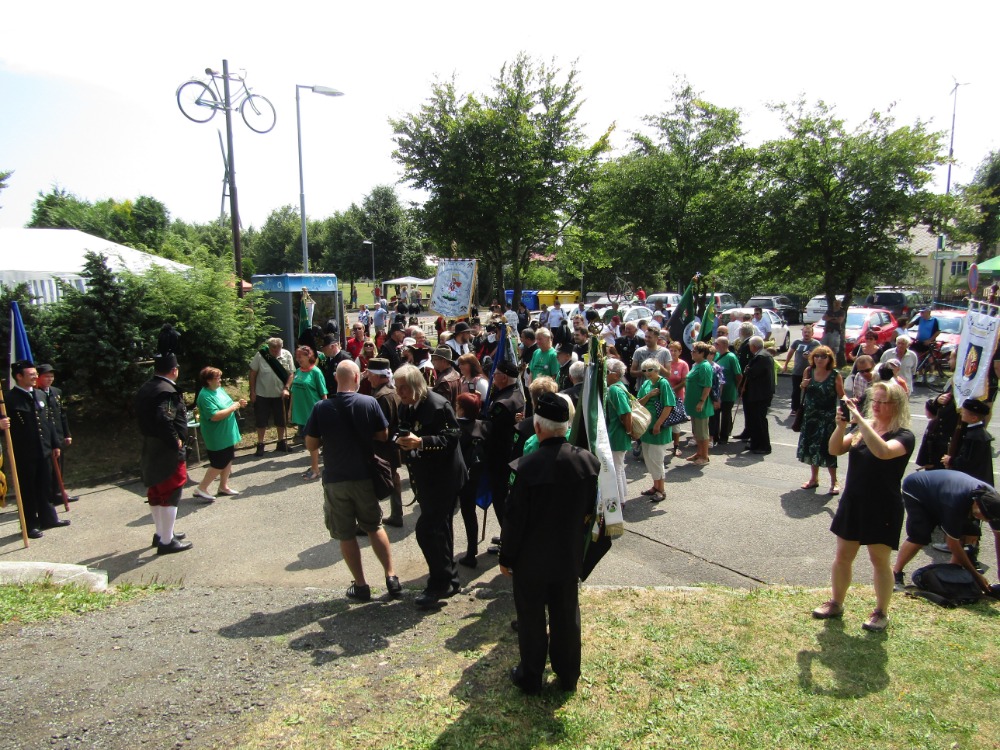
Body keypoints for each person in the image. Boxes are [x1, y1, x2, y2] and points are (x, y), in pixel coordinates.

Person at [500, 392, 600, 695]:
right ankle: (568, 675)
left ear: (538, 428)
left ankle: (531, 676)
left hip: (531, 559)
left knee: (531, 617)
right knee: (566, 615)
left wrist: (506, 557)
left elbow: (514, 520)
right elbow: (590, 510)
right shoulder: (588, 462)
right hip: (568, 553)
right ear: (566, 426)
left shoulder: (526, 467)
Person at [812, 381, 915, 632]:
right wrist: (841, 427)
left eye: (882, 402)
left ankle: (881, 612)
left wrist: (860, 420)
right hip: (854, 501)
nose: (876, 406)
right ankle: (836, 602)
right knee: (843, 556)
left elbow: (883, 452)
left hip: (883, 505)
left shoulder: (903, 435)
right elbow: (834, 449)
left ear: (897, 405)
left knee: (879, 560)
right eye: (874, 401)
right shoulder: (863, 428)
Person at [304, 361, 400, 602]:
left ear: (336, 378)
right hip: (364, 476)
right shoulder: (369, 402)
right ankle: (391, 576)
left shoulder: (320, 407)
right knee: (374, 526)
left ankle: (361, 585)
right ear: (357, 378)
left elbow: (311, 444)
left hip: (336, 478)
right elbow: (383, 435)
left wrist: (330, 438)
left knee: (345, 534)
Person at [395, 364, 468, 608]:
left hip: (444, 478)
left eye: (404, 387)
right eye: (397, 387)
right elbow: (402, 429)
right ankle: (450, 581)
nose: (399, 392)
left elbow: (452, 438)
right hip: (425, 478)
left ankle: (438, 584)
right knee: (440, 530)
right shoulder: (406, 405)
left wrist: (422, 442)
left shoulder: (438, 405)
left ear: (416, 385)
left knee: (427, 531)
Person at [893, 470, 1000, 595]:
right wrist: (976, 575)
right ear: (976, 503)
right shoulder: (954, 504)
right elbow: (952, 544)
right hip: (918, 489)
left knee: (972, 533)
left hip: (947, 491)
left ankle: (953, 570)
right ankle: (896, 573)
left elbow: (999, 538)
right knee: (920, 536)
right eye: (982, 516)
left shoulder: (993, 502)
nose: (986, 521)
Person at [6, 361, 69, 539]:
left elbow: (48, 422)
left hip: (44, 450)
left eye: (35, 374)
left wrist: (55, 444)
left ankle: (48, 518)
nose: (35, 377)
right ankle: (30, 525)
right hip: (24, 453)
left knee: (45, 486)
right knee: (28, 490)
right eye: (31, 374)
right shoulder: (9, 399)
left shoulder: (40, 394)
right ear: (19, 376)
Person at [135, 354, 190, 554]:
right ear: (174, 370)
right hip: (167, 450)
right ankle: (167, 541)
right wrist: (175, 440)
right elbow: (165, 417)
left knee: (156, 491)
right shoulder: (167, 391)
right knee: (171, 492)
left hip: (151, 444)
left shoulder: (147, 387)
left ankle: (161, 533)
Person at [483, 360, 525, 549]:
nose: (493, 376)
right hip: (507, 454)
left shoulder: (504, 402)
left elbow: (489, 428)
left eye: (496, 373)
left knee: (500, 500)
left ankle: (508, 542)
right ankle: (506, 534)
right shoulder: (514, 393)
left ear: (505, 377)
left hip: (499, 457)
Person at [796, 346, 845, 495]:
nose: (819, 359)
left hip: (827, 418)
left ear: (829, 359)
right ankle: (814, 479)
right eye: (817, 356)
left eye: (823, 356)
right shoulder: (808, 371)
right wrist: (803, 385)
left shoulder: (835, 375)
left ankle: (834, 481)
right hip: (810, 416)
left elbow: (841, 395)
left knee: (828, 449)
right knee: (811, 447)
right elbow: (803, 387)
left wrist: (849, 406)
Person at [193, 367, 247, 501]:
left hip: (227, 432)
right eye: (217, 378)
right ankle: (201, 488)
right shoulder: (204, 396)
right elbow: (214, 416)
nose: (220, 380)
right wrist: (233, 407)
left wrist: (237, 403)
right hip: (216, 435)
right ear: (208, 380)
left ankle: (223, 486)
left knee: (228, 458)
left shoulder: (219, 389)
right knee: (219, 462)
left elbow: (227, 404)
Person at [363, 358, 404, 527]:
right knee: (393, 478)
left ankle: (370, 521)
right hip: (394, 446)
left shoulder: (380, 397)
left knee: (372, 482)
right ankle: (396, 514)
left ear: (378, 375)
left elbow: (381, 433)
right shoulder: (394, 391)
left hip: (381, 447)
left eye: (370, 374)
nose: (368, 378)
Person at [35, 364, 78, 504]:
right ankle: (46, 496)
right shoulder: (35, 393)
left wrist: (67, 433)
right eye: (46, 376)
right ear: (38, 377)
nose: (50, 379)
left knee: (59, 466)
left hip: (58, 434)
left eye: (51, 376)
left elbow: (62, 414)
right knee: (46, 468)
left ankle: (58, 493)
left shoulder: (56, 392)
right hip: (44, 436)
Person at [455, 392, 488, 567]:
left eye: (458, 405)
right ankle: (471, 551)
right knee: (470, 513)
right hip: (475, 475)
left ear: (463, 409)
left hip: (458, 476)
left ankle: (451, 553)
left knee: (450, 514)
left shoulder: (456, 428)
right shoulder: (483, 426)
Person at [288, 345, 328, 481]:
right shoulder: (298, 371)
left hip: (313, 413)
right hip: (300, 413)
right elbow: (293, 393)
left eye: (301, 356)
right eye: (297, 356)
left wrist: (325, 413)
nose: (298, 359)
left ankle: (315, 469)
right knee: (308, 442)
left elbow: (323, 394)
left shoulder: (316, 372)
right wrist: (290, 410)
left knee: (313, 442)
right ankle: (315, 466)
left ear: (309, 356)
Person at [637, 357, 675, 499]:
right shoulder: (646, 383)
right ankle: (655, 486)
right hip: (646, 427)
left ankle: (661, 490)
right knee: (648, 458)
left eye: (650, 370)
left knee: (657, 459)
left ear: (657, 369)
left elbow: (668, 405)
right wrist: (649, 395)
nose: (647, 373)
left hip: (658, 428)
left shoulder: (663, 383)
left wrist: (658, 424)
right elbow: (638, 403)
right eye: (644, 370)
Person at [249, 337, 294, 457]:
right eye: (273, 349)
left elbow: (291, 374)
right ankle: (260, 444)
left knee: (281, 419)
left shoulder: (287, 355)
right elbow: (253, 373)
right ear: (268, 347)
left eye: (277, 349)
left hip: (280, 394)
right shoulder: (261, 355)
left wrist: (286, 388)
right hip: (262, 394)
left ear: (281, 347)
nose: (275, 351)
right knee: (261, 420)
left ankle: (281, 442)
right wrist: (252, 391)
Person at [942, 398, 994, 486]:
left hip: (974, 482)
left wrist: (950, 460)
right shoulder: (977, 432)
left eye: (964, 412)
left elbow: (968, 462)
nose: (961, 413)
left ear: (974, 418)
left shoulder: (974, 437)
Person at [605, 359, 633, 506]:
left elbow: (626, 413)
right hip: (619, 434)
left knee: (615, 468)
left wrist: (629, 431)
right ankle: (622, 496)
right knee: (619, 466)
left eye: (607, 372)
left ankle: (619, 501)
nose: (604, 375)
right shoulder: (619, 387)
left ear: (615, 375)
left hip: (617, 434)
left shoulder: (615, 390)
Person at [741, 336, 774, 455]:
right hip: (759, 393)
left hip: (760, 394)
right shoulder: (763, 355)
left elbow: (752, 372)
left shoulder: (761, 357)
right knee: (755, 420)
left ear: (753, 346)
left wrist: (747, 370)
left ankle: (764, 446)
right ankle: (755, 443)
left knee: (760, 421)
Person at [684, 341, 715, 465]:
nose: (692, 353)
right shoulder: (696, 365)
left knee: (702, 432)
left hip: (700, 404)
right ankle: (699, 453)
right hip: (693, 403)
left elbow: (707, 386)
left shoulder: (705, 366)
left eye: (695, 351)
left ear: (702, 353)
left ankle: (705, 456)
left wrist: (701, 402)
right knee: (696, 431)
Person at [782, 324, 821, 414]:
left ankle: (808, 408)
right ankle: (795, 408)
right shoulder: (797, 342)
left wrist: (810, 356)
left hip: (811, 371)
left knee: (810, 390)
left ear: (812, 333)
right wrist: (786, 364)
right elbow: (791, 352)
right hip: (797, 371)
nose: (806, 334)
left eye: (808, 332)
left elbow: (819, 355)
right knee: (796, 390)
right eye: (805, 332)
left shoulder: (816, 343)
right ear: (802, 333)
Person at [713, 337, 741, 446]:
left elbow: (738, 375)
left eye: (717, 344)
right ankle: (714, 435)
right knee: (715, 414)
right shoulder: (716, 355)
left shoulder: (731, 357)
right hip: (717, 392)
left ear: (724, 345)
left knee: (726, 415)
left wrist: (737, 387)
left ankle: (724, 436)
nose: (715, 345)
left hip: (728, 391)